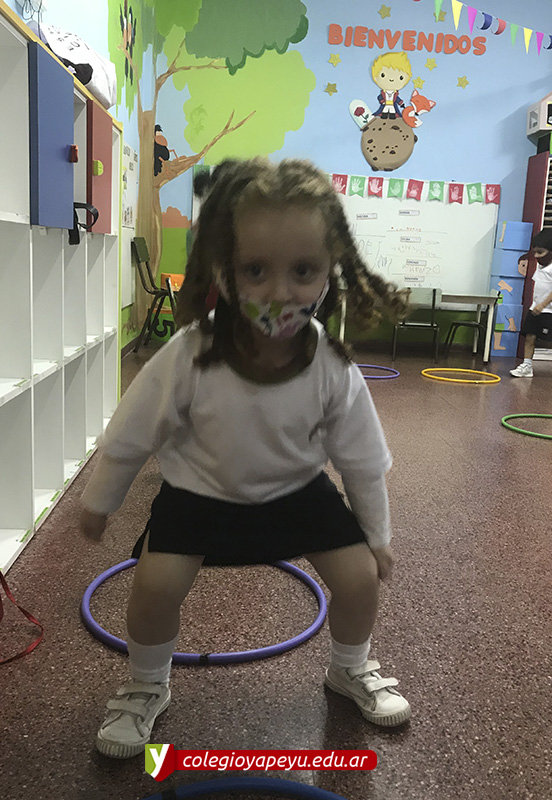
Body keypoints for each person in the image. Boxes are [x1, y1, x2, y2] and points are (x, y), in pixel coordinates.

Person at [80, 157, 411, 759]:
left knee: (361, 576)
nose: (280, 293)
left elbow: (362, 458)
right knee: (154, 586)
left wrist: (378, 536)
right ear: (223, 269)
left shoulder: (330, 364)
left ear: (330, 269)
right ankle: (147, 684)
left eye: (303, 271)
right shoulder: (194, 351)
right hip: (199, 495)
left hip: (297, 492)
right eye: (256, 270)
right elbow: (132, 432)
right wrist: (100, 501)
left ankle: (349, 667)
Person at [510, 228, 552, 378]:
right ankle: (527, 365)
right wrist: (536, 305)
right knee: (529, 336)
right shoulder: (540, 267)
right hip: (535, 308)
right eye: (535, 252)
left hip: (548, 310)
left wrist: (543, 304)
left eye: (540, 252)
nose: (536, 256)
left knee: (548, 340)